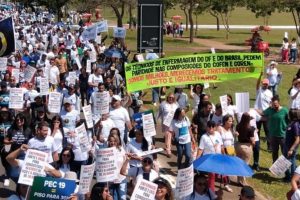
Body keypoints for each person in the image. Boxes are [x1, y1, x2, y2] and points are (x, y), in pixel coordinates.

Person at [197, 121, 226, 192]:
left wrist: (224, 155)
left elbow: (221, 145)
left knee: (216, 174)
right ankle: (211, 192)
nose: (211, 128)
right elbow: (201, 149)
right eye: (209, 126)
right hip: (209, 159)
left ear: (215, 127)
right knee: (212, 175)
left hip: (218, 158)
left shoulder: (218, 134)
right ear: (207, 127)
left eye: (213, 126)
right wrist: (197, 159)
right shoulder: (204, 137)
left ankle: (207, 184)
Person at [262, 95, 289, 163]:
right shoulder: (270, 110)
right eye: (273, 105)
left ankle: (284, 168)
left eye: (276, 104)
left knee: (284, 152)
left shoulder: (285, 110)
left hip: (283, 136)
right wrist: (254, 110)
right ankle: (275, 167)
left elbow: (289, 121)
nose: (275, 106)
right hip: (273, 135)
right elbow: (262, 113)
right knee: (274, 152)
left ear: (279, 103)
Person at [235, 113, 255, 186]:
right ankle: (243, 181)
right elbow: (252, 140)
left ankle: (238, 180)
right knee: (245, 165)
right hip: (246, 147)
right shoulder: (250, 128)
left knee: (239, 164)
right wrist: (253, 144)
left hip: (238, 146)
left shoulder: (238, 126)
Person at [254, 72, 273, 151]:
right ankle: (256, 144)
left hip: (266, 114)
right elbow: (257, 84)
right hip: (258, 114)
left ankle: (269, 146)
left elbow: (271, 103)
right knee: (257, 130)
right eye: (264, 84)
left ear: (268, 85)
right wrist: (260, 76)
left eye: (266, 84)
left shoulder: (270, 93)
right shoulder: (259, 90)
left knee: (267, 130)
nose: (265, 85)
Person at [284, 110, 300, 182]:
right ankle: (291, 177)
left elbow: (297, 139)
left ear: (291, 116)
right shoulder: (292, 123)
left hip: (291, 147)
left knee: (290, 162)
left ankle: (291, 178)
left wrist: (291, 149)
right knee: (291, 161)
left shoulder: (295, 125)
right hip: (288, 146)